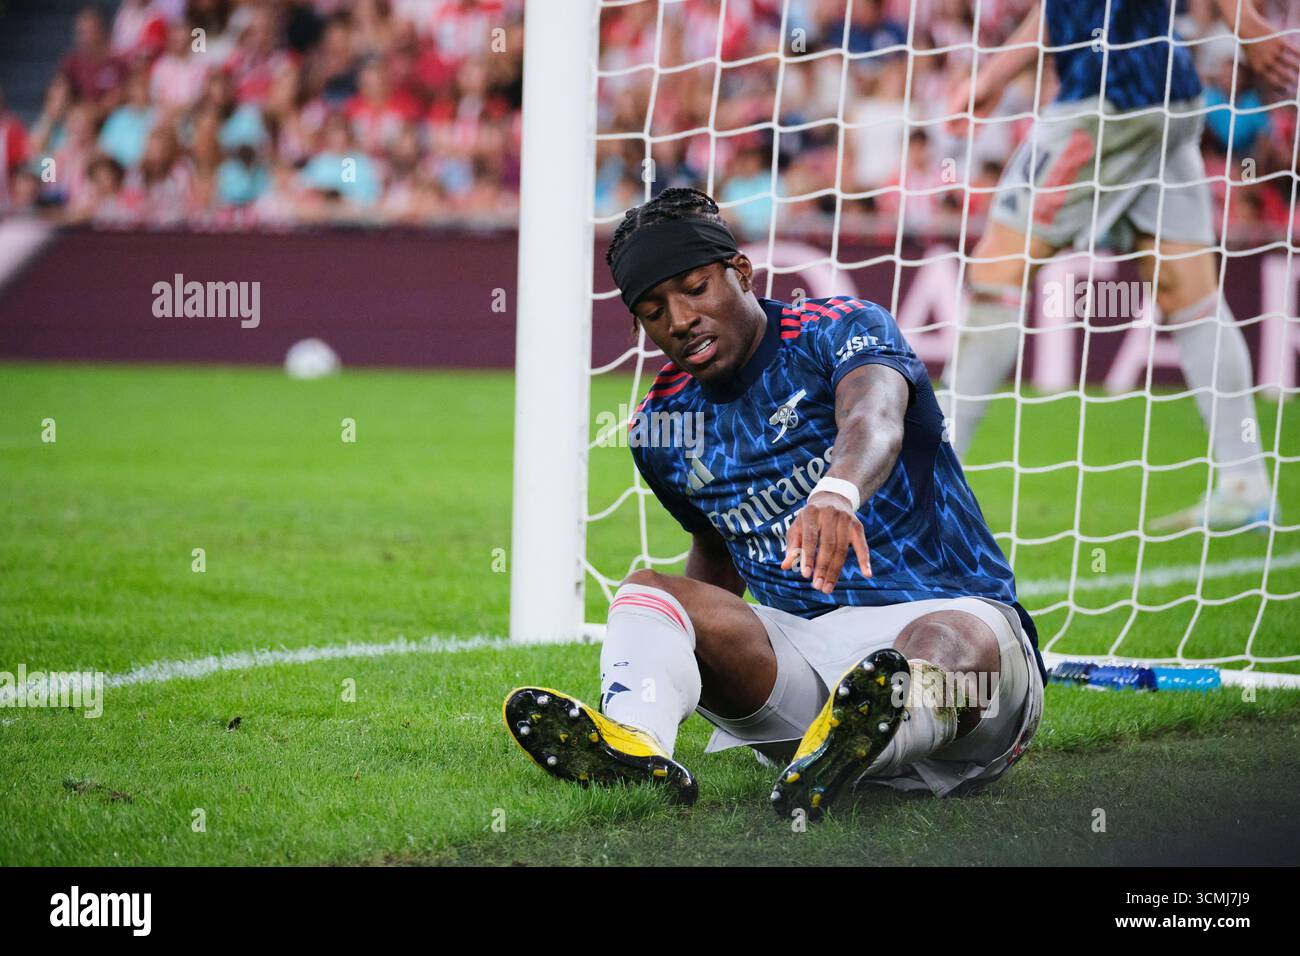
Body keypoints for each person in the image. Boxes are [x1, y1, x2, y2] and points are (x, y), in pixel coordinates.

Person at [503, 188, 1045, 820]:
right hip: (810, 678)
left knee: (941, 638)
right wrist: (681, 647)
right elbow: (716, 550)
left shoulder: (839, 329)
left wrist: (837, 490)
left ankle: (874, 729)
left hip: (972, 675)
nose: (678, 320)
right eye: (653, 310)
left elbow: (875, 417)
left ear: (740, 272)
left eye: (695, 288)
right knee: (647, 592)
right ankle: (638, 746)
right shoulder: (661, 426)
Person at [943, 0, 1298, 530]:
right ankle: (1245, 483)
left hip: (1110, 95)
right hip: (1165, 97)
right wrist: (997, 72)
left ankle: (928, 483)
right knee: (1187, 289)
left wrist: (1243, 20)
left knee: (998, 269)